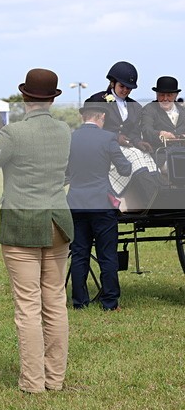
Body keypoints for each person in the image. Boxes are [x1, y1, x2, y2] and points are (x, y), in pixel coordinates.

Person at [0, 68, 73, 394]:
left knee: (28, 307)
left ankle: (33, 382)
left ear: (24, 97)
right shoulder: (64, 130)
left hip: (23, 224)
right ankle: (55, 378)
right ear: (52, 98)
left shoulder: (14, 134)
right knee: (55, 303)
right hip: (58, 223)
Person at [66, 101, 132, 311]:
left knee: (79, 254)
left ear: (83, 117)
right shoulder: (108, 138)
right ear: (101, 117)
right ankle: (110, 302)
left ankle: (79, 302)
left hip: (76, 202)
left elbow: (66, 172)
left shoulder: (71, 138)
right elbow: (124, 169)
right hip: (101, 203)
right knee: (107, 254)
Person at [84, 61, 150, 152]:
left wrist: (137, 141)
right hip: (103, 148)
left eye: (128, 88)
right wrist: (115, 137)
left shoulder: (136, 107)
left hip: (127, 148)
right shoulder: (98, 100)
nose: (125, 90)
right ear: (112, 83)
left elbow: (134, 132)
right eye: (122, 86)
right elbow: (92, 129)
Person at [140, 76, 185, 153]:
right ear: (156, 94)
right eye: (161, 95)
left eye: (169, 95)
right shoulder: (149, 109)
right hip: (160, 155)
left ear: (176, 95)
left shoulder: (182, 110)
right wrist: (160, 134)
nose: (165, 98)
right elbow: (146, 130)